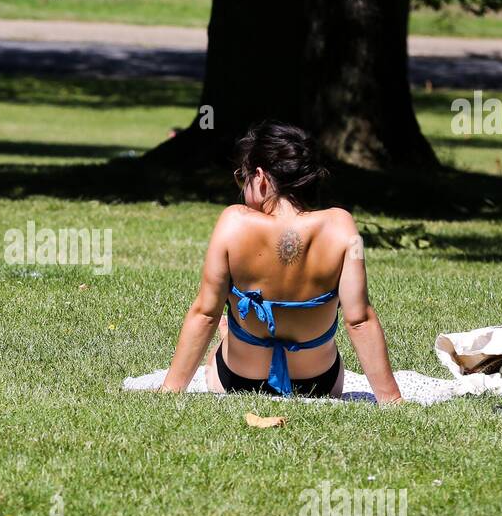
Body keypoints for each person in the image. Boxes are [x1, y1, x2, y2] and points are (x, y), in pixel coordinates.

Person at [160, 122, 402, 402]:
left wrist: (170, 391)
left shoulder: (233, 223)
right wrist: (391, 399)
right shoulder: (342, 226)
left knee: (226, 327)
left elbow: (205, 314)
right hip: (318, 383)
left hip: (239, 381)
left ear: (260, 177)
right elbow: (359, 321)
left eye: (243, 176)